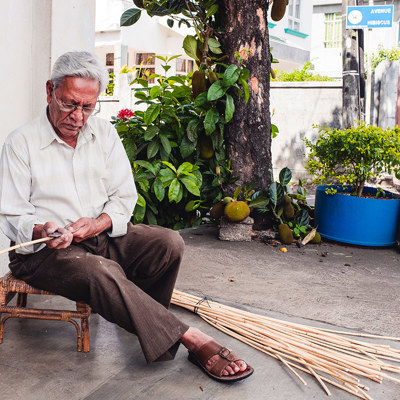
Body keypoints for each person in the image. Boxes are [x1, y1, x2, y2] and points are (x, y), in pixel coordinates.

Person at [0, 51, 253, 382]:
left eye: (88, 107)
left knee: (168, 242)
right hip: (44, 252)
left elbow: (123, 198)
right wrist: (42, 228)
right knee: (97, 270)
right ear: (50, 91)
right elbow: (11, 212)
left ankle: (146, 323)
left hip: (98, 237)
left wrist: (98, 223)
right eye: (69, 104)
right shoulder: (22, 142)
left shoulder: (103, 134)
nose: (78, 116)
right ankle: (189, 337)